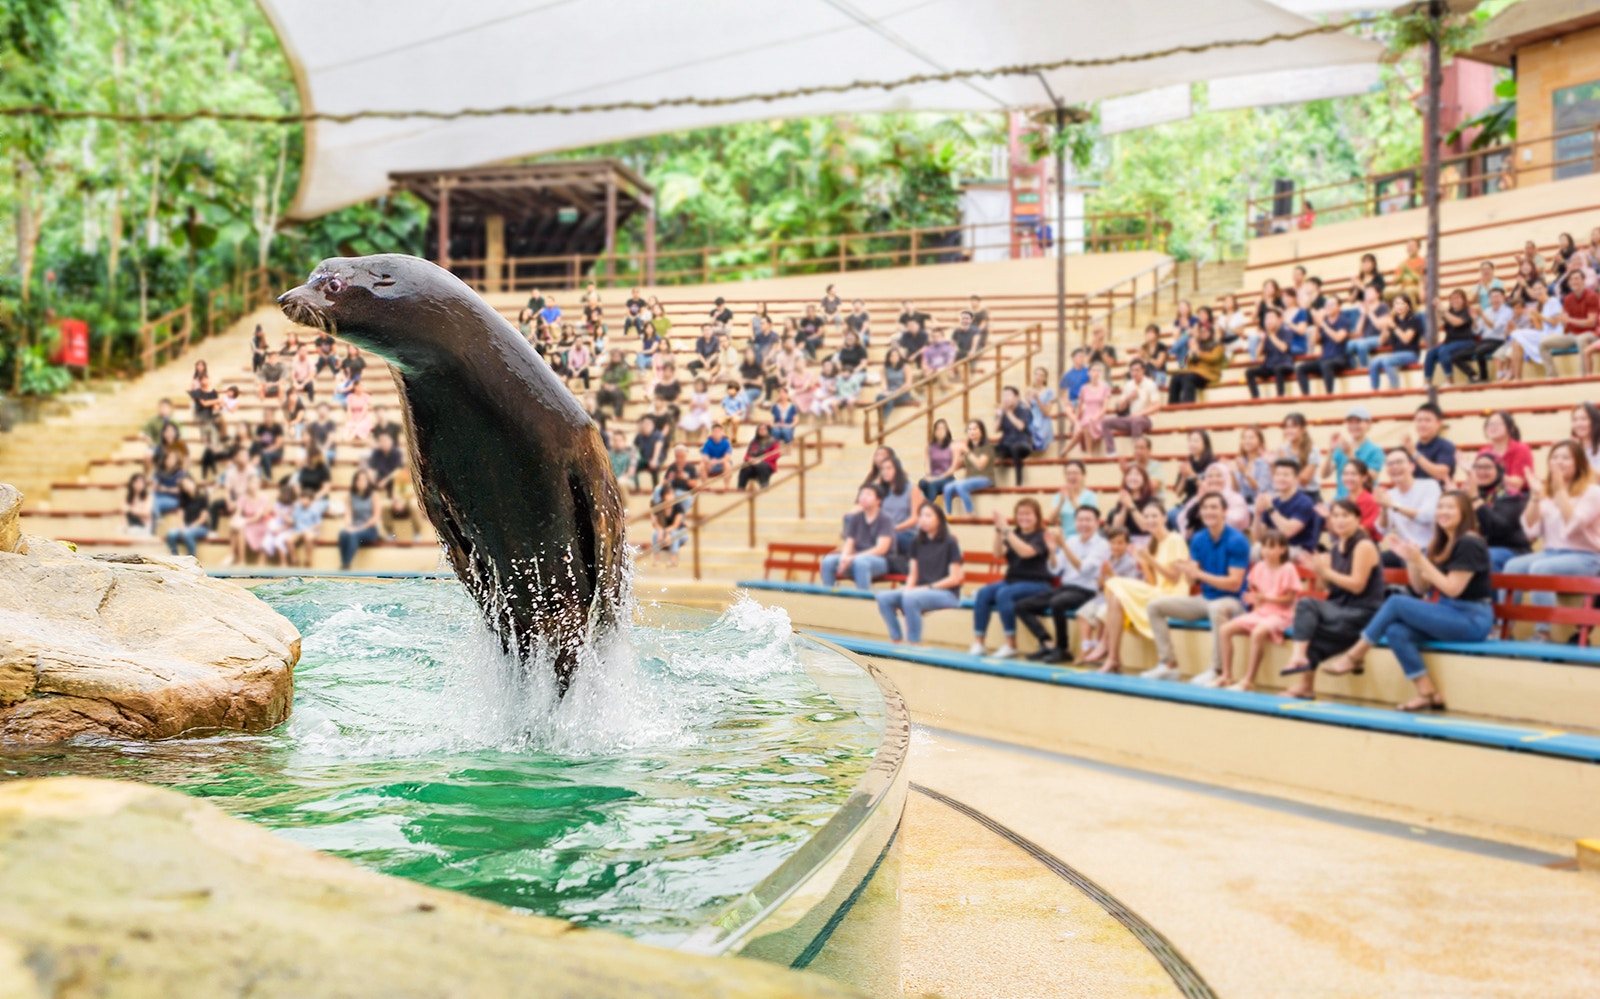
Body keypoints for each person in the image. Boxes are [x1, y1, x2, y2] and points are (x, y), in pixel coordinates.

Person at [1323, 492, 1493, 711]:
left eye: (1451, 507)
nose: (1443, 512)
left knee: (1396, 602)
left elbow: (1453, 588)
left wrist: (1420, 559)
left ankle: (1355, 655)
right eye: (1440, 507)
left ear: (1465, 512)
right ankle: (1426, 692)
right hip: (1448, 612)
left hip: (1471, 617)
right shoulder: (1441, 543)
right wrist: (1410, 559)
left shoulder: (1469, 542)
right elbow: (1420, 588)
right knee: (1395, 630)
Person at [1278, 499, 1386, 699]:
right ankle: (1306, 686)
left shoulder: (1364, 545)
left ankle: (1297, 656)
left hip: (1363, 613)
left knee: (1306, 603)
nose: (1340, 520)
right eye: (1335, 515)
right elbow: (1325, 587)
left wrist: (1326, 570)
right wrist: (1319, 571)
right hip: (1340, 609)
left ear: (1357, 519)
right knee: (1309, 631)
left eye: (1345, 516)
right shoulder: (1336, 548)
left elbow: (1357, 585)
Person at [1141, 491, 1251, 684]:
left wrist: (1199, 575)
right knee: (1154, 606)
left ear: (1224, 511)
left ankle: (1217, 670)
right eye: (1205, 508)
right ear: (1200, 512)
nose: (1209, 511)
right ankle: (1169, 665)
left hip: (1234, 602)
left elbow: (1234, 584)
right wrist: (1188, 572)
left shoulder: (1237, 540)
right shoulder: (1199, 539)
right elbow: (1192, 581)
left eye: (1214, 507)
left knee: (1217, 608)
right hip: (1205, 599)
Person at [1503, 442, 1600, 639]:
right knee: (1512, 566)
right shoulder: (1546, 492)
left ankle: (1543, 631)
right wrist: (1536, 496)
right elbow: (1530, 530)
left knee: (1540, 569)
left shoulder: (1593, 492)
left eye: (1565, 458)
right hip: (1550, 553)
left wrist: (1560, 490)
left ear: (1578, 463)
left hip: (1585, 556)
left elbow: (1574, 524)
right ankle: (1503, 628)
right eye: (1555, 457)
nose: (1559, 462)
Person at [1081, 501, 1189, 674]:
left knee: (1116, 586)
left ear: (1164, 518)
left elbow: (1175, 579)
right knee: (1116, 590)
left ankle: (1106, 648)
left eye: (1154, 516)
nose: (1150, 520)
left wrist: (1149, 559)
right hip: (1158, 591)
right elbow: (1153, 582)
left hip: (1175, 594)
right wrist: (1143, 563)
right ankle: (1112, 657)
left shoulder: (1175, 539)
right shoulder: (1153, 543)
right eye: (1146, 517)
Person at [1016, 506, 1110, 663]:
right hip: (1065, 588)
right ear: (1075, 522)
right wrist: (1053, 551)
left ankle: (1062, 648)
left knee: (1058, 603)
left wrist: (1063, 546)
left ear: (1097, 523)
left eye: (1088, 520)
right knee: (1022, 606)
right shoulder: (1072, 540)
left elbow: (1084, 569)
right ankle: (1047, 643)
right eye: (1080, 519)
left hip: (1087, 590)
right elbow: (1055, 569)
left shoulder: (1102, 544)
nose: (1084, 523)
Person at [1215, 531, 1302, 691]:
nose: (1266, 551)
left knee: (1258, 632)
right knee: (1224, 629)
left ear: (1283, 549)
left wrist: (1265, 598)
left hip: (1282, 614)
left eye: (1271, 547)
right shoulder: (1259, 566)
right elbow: (1256, 595)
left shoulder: (1288, 568)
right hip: (1261, 612)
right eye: (1264, 547)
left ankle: (1249, 680)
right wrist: (1254, 600)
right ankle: (1226, 675)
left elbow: (1290, 599)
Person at [969, 499, 1055, 658]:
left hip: (1038, 583)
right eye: (1020, 514)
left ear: (1037, 516)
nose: (1024, 518)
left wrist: (1007, 531)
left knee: (1004, 593)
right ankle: (979, 642)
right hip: (1013, 581)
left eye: (1028, 514)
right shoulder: (1014, 534)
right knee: (983, 593)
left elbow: (1026, 552)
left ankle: (1011, 644)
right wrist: (998, 531)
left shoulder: (1042, 535)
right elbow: (998, 553)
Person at [876, 505, 965, 645]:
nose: (923, 520)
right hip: (920, 590)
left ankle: (913, 643)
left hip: (947, 593)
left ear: (939, 519)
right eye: (921, 516)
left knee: (911, 598)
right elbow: (913, 574)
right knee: (884, 597)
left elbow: (954, 579)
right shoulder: (917, 542)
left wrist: (925, 588)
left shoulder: (950, 543)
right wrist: (908, 589)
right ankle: (897, 640)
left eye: (928, 516)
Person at [1465, 453, 1530, 572]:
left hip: (1510, 549)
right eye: (1477, 467)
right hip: (1477, 547)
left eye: (1487, 467)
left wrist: (1475, 499)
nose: (1481, 471)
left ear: (1499, 470)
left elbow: (1498, 528)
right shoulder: (1467, 493)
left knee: (1487, 556)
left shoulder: (1512, 495)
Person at [1377, 447, 1441, 567]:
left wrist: (1394, 506)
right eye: (1390, 464)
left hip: (1431, 550)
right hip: (1406, 551)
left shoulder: (1429, 485)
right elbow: (1382, 529)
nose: (1394, 467)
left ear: (1412, 466)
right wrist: (1384, 509)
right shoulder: (1390, 494)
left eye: (1399, 462)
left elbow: (1427, 517)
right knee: (1372, 561)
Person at [821, 486, 894, 590]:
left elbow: (881, 549)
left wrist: (852, 558)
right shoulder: (855, 518)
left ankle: (863, 598)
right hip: (855, 559)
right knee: (828, 561)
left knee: (860, 562)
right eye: (862, 494)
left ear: (879, 500)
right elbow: (849, 542)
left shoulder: (885, 519)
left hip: (882, 561)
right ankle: (829, 594)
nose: (863, 497)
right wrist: (844, 557)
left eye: (868, 495)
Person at [1254, 459, 1320, 553]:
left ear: (1296, 479)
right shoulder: (1273, 501)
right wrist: (1257, 513)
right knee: (1252, 552)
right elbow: (1258, 538)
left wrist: (1271, 508)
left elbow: (1287, 532)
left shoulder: (1304, 502)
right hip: (1274, 548)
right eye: (1277, 474)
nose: (1281, 478)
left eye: (1285, 475)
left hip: (1299, 550)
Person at [1321, 406, 1384, 500]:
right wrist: (1330, 450)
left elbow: (1369, 479)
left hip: (1363, 502)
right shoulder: (1340, 448)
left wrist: (1350, 454)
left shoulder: (1376, 450)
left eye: (1358, 422)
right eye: (1350, 422)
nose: (1354, 426)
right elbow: (1324, 475)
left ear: (1369, 424)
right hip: (1341, 501)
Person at [1101, 360, 1161, 455]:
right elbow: (1120, 409)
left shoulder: (1150, 384)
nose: (1134, 373)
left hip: (1147, 418)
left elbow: (1157, 406)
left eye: (1137, 370)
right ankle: (1111, 452)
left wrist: (1140, 414)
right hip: (1131, 418)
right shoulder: (1128, 385)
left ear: (1143, 371)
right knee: (1105, 422)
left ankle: (1137, 453)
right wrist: (1128, 397)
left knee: (1137, 421)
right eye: (1132, 370)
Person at [1366, 292, 1425, 390]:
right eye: (1396, 304)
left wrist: (1393, 326)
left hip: (1411, 353)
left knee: (1387, 361)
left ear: (1407, 305)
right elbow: (1381, 341)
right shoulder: (1394, 320)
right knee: (1373, 362)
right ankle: (1374, 389)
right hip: (1396, 354)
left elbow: (1406, 339)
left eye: (1401, 303)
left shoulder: (1414, 319)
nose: (1398, 306)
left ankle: (1395, 388)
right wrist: (1385, 329)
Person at [1296, 297, 1352, 395]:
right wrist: (1317, 325)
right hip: (1325, 357)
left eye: (1331, 304)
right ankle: (1306, 395)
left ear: (1339, 307)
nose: (1328, 307)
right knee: (1300, 368)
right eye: (1327, 305)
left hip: (1340, 358)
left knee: (1326, 365)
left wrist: (1322, 324)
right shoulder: (1324, 323)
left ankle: (1329, 394)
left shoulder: (1343, 320)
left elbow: (1338, 338)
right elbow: (1314, 342)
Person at [875, 451, 924, 554]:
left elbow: (915, 518)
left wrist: (893, 529)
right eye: (882, 469)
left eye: (889, 468)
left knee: (893, 540)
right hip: (886, 533)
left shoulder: (912, 488)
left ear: (897, 470)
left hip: (907, 533)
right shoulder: (882, 491)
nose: (885, 472)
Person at [1424, 289, 1477, 384]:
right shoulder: (1449, 312)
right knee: (1430, 353)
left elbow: (1456, 322)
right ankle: (1428, 381)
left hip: (1465, 341)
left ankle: (1449, 379)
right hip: (1450, 342)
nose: (1454, 301)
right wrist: (1437, 310)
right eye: (1452, 299)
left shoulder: (1467, 311)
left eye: (1457, 298)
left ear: (1463, 300)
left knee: (1443, 350)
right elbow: (1441, 324)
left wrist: (1443, 311)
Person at [1462, 285, 1513, 382]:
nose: (1495, 299)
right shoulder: (1487, 311)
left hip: (1499, 340)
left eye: (1497, 296)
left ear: (1503, 297)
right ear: (1489, 299)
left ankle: (1484, 377)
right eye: (1492, 297)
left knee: (1479, 351)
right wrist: (1474, 320)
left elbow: (1496, 327)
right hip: (1485, 340)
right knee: (1459, 355)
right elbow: (1477, 330)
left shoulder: (1507, 311)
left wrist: (1481, 314)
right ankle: (1473, 376)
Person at [943, 420, 995, 514]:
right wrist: (956, 453)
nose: (972, 431)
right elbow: (959, 465)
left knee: (960, 485)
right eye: (969, 429)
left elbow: (980, 465)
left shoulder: (987, 447)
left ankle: (970, 511)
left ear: (982, 431)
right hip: (970, 478)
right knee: (947, 487)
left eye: (975, 429)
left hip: (985, 478)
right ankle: (948, 514)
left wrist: (966, 450)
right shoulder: (969, 448)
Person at [1166, 324, 1225, 405]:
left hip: (1209, 374)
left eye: (1205, 331)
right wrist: (1191, 352)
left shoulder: (1217, 346)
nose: (1203, 333)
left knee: (1188, 378)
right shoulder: (1198, 345)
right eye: (1201, 331)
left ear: (1210, 332)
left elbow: (1213, 358)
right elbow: (1189, 364)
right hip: (1196, 372)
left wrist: (1198, 352)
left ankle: (1187, 405)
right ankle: (1172, 406)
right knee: (1176, 377)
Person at [1060, 363, 1110, 457]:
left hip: (1099, 417)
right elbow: (1079, 407)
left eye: (1099, 371)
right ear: (1089, 373)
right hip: (1086, 416)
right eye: (1094, 370)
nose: (1096, 373)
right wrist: (1076, 421)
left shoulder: (1105, 387)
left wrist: (1096, 417)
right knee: (1081, 427)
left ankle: (1085, 453)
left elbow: (1105, 408)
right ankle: (1068, 451)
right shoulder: (1084, 388)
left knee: (1087, 422)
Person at [1244, 308, 1295, 399]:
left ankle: (1280, 396)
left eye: (1271, 318)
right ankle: (1255, 397)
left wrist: (1271, 335)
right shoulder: (1266, 335)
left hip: (1284, 363)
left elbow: (1284, 348)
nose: (1268, 321)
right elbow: (1258, 353)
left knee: (1278, 369)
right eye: (1266, 319)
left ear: (1279, 319)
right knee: (1249, 372)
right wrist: (1263, 340)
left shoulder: (1286, 332)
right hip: (1269, 365)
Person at [1478, 410, 1534, 493]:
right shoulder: (1483, 451)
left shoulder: (1521, 449)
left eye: (1496, 424)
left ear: (1509, 427)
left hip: (1517, 498)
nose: (1492, 427)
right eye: (1489, 424)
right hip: (1490, 496)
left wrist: (1492, 474)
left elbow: (1517, 484)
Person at [1403, 402, 1457, 487]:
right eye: (1419, 420)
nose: (1422, 424)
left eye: (1427, 420)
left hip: (1440, 497)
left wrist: (1414, 453)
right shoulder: (1413, 447)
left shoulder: (1446, 446)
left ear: (1439, 423)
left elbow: (1441, 474)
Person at [1104, 464, 1156, 547]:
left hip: (1146, 541)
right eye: (1129, 474)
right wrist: (1125, 506)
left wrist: (1131, 505)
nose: (1133, 477)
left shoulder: (1151, 501)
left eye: (1137, 474)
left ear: (1144, 479)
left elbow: (1145, 527)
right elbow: (1116, 527)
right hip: (1125, 542)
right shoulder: (1124, 499)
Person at [1046, 459, 1099, 534]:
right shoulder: (1059, 495)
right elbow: (1051, 520)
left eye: (1075, 473)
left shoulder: (1090, 495)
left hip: (1085, 536)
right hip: (1065, 537)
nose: (1071, 476)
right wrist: (1061, 502)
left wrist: (1073, 501)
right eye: (1068, 473)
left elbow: (1091, 518)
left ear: (1083, 475)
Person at [1276, 413, 1322, 493]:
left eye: (1293, 427)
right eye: (1286, 427)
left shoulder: (1313, 450)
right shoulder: (1282, 449)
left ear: (1303, 429)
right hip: (1287, 493)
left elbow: (1304, 482)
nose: (1289, 430)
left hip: (1308, 494)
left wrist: (1287, 461)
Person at [917, 419, 956, 504]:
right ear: (934, 432)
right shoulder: (930, 447)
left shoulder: (953, 446)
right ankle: (930, 506)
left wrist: (935, 478)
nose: (940, 431)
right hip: (933, 476)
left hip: (947, 478)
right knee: (922, 483)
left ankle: (930, 508)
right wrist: (928, 476)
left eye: (943, 428)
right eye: (938, 429)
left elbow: (953, 468)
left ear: (947, 430)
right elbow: (927, 463)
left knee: (932, 484)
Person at [650, 485, 688, 567]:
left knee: (674, 534)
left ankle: (673, 560)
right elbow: (655, 522)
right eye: (669, 494)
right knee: (655, 534)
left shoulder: (678, 507)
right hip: (665, 532)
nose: (671, 496)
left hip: (679, 532)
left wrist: (666, 532)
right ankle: (656, 559)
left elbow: (676, 525)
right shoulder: (660, 506)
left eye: (672, 494)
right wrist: (660, 531)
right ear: (664, 496)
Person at [738, 424, 781, 490]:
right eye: (760, 429)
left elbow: (776, 454)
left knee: (761, 466)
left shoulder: (773, 441)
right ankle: (740, 488)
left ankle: (764, 487)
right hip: (753, 463)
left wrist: (761, 460)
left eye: (764, 429)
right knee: (745, 467)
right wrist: (750, 459)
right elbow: (746, 456)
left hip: (767, 464)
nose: (762, 431)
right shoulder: (754, 442)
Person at [633, 416, 666, 490]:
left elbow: (658, 447)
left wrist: (654, 459)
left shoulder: (658, 434)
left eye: (648, 424)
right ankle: (636, 487)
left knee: (655, 467)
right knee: (633, 464)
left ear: (653, 425)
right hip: (645, 459)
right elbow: (634, 448)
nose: (645, 426)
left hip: (656, 458)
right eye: (644, 424)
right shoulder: (639, 435)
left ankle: (656, 489)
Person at [699, 422, 734, 487]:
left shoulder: (726, 442)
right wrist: (709, 461)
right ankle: (706, 487)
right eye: (715, 431)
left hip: (722, 464)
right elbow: (704, 456)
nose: (717, 433)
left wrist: (716, 461)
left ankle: (727, 487)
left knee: (727, 464)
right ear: (712, 433)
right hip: (711, 465)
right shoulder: (708, 443)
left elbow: (727, 457)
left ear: (721, 432)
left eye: (718, 431)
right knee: (702, 465)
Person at [1573, 402, 1600, 469]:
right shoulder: (1571, 449)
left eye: (1584, 419)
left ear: (1594, 421)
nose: (1578, 424)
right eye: (1575, 419)